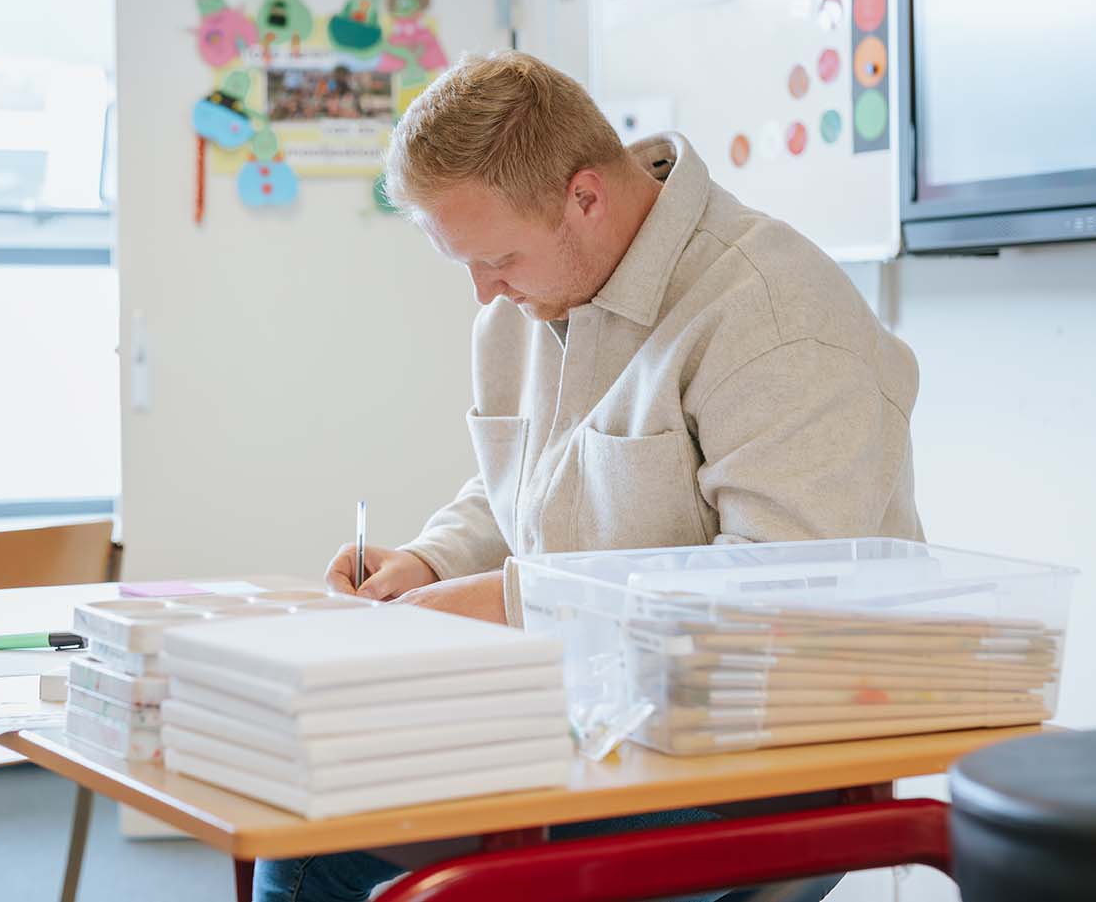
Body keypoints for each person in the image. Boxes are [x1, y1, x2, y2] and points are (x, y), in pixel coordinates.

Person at [254, 50, 921, 902]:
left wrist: (514, 600)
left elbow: (784, 592)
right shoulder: (531, 298)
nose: (482, 294)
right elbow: (534, 489)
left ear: (584, 197)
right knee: (313, 810)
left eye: (495, 258)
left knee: (321, 853)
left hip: (760, 762)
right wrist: (429, 563)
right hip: (604, 718)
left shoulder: (774, 314)